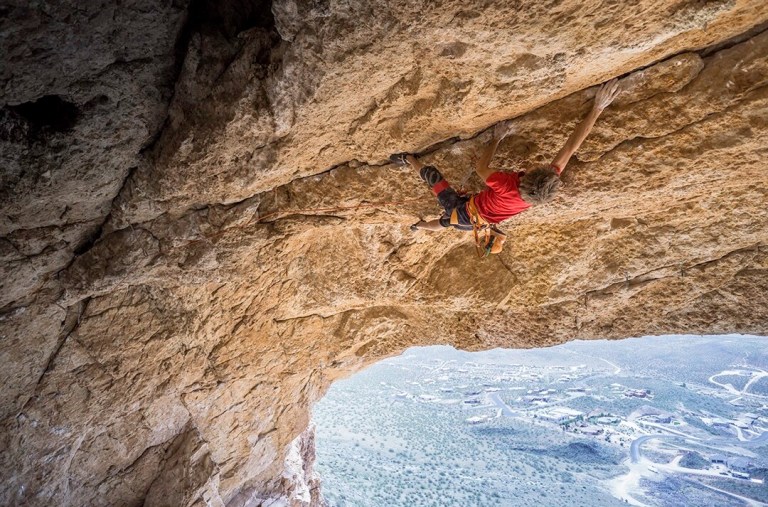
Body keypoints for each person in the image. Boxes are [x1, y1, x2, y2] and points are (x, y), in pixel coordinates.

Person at [392, 78, 621, 255]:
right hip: (479, 217)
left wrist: (496, 138)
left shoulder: (506, 185)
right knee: (443, 225)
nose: (533, 164)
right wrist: (598, 108)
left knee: (435, 184)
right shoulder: (541, 185)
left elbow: (482, 166)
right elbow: (571, 147)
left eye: (532, 168)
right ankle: (418, 227)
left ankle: (409, 160)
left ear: (522, 179)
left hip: (463, 215)